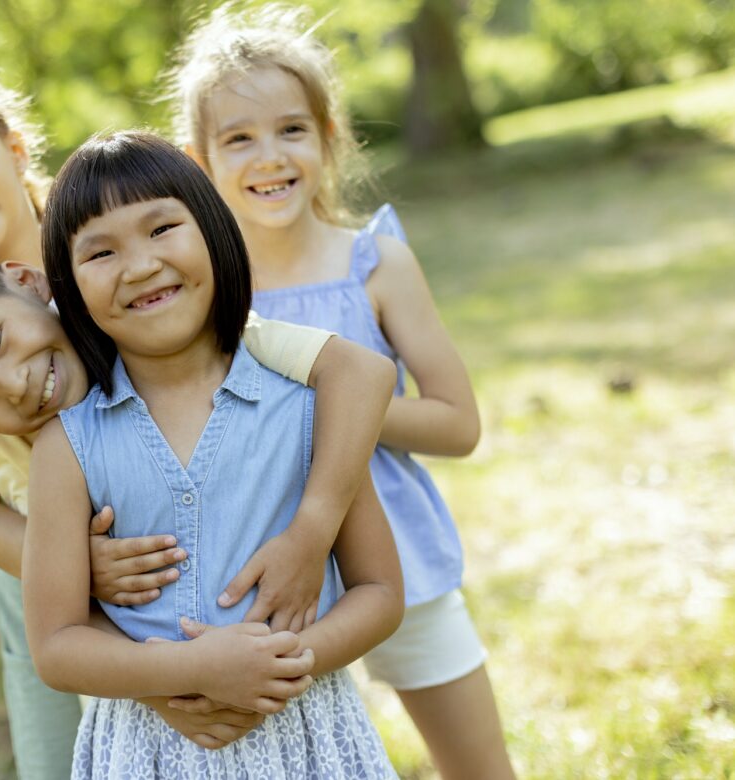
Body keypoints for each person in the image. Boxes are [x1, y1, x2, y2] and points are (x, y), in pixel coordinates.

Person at [0, 54, 397, 775]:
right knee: (52, 755)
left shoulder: (115, 262)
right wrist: (80, 571)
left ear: (13, 149)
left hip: (211, 561)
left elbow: (353, 375)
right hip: (41, 564)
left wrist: (309, 532)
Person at [162, 4, 516, 778]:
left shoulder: (375, 263)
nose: (269, 156)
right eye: (238, 138)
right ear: (199, 161)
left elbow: (458, 423)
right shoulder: (201, 286)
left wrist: (342, 403)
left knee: (480, 767)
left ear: (329, 137)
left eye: (291, 129)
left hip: (403, 563)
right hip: (266, 579)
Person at [24, 130, 403, 778]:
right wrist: (191, 673)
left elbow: (380, 592)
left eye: (162, 228)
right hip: (150, 749)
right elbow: (57, 646)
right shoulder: (68, 446)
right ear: (69, 286)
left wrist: (279, 667)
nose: (140, 265)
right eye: (101, 252)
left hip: (305, 733)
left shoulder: (306, 408)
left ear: (213, 231)